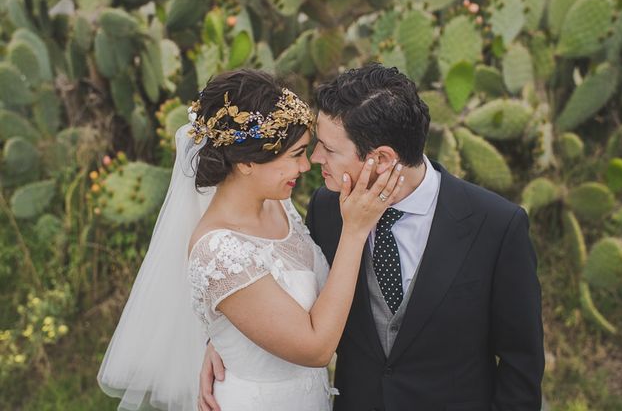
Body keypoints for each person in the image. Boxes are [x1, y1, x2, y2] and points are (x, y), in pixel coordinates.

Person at [199, 64, 545, 411]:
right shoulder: (325, 209)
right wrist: (233, 341)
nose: (315, 159)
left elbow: (521, 366)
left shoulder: (497, 226)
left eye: (330, 150)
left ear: (381, 159)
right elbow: (288, 295)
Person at [97, 69, 405, 411]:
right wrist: (356, 230)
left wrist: (226, 340)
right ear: (246, 162)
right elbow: (316, 349)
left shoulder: (278, 205)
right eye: (295, 154)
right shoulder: (217, 250)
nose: (307, 166)